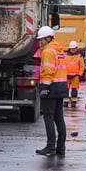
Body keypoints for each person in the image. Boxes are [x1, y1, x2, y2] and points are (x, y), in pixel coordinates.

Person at [35, 26, 68, 157]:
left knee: (48, 117)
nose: (40, 42)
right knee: (59, 118)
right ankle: (61, 147)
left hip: (51, 87)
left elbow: (48, 71)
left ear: (48, 38)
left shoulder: (48, 51)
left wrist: (44, 88)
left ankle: (50, 147)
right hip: (61, 86)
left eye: (41, 40)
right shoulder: (59, 50)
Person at [64, 40, 84, 108]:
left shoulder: (79, 56)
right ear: (69, 48)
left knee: (74, 90)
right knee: (66, 89)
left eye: (74, 48)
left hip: (75, 76)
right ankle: (65, 102)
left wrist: (80, 74)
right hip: (66, 75)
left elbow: (82, 66)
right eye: (72, 49)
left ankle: (73, 102)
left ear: (76, 48)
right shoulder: (65, 55)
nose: (73, 50)